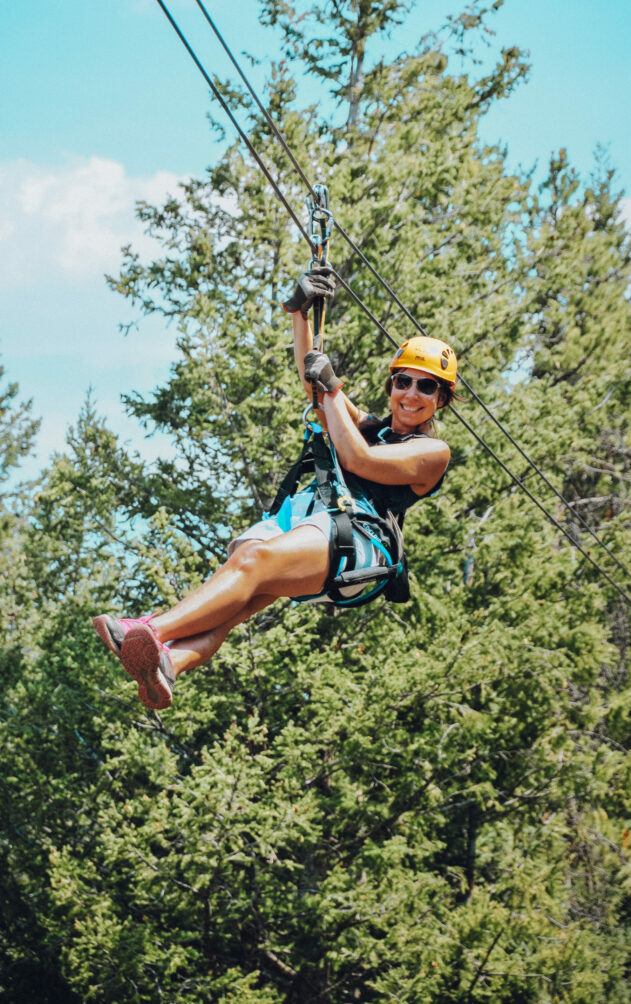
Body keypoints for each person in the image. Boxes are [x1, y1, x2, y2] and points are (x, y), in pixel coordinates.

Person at [92, 268, 455, 709]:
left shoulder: (433, 451)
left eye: (427, 386)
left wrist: (333, 388)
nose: (411, 393)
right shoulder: (369, 425)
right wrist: (298, 312)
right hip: (314, 521)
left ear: (441, 399)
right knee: (229, 605)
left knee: (252, 560)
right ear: (392, 385)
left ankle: (149, 630)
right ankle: (168, 663)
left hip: (358, 540)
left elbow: (360, 458)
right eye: (404, 381)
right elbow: (314, 387)